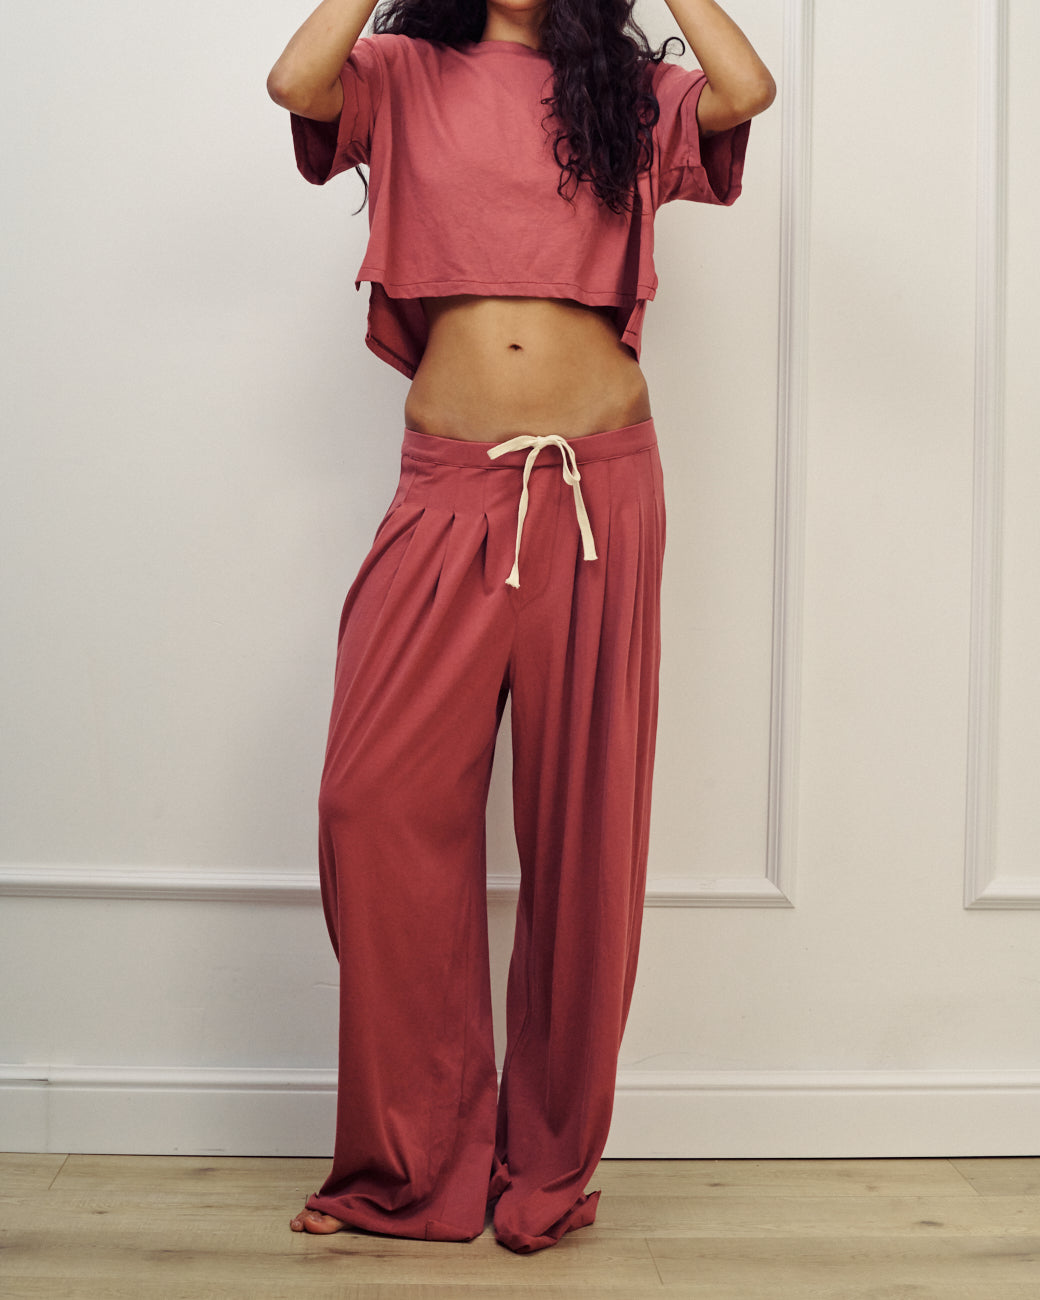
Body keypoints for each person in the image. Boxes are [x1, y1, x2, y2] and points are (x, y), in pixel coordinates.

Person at [268, 0, 774, 1254]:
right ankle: (414, 1163)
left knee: (581, 831)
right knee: (368, 802)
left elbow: (744, 90)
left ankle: (544, 1165)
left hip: (601, 487)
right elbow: (295, 80)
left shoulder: (621, 93)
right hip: (450, 489)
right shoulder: (402, 72)